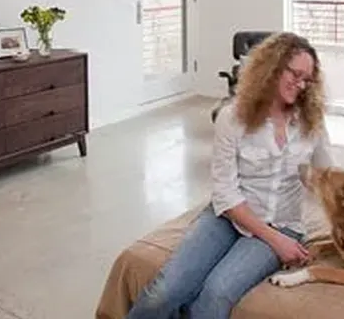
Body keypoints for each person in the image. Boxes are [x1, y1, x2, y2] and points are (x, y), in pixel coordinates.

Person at [126, 32, 333, 319]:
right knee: (167, 289)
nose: (300, 85)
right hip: (228, 217)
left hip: (283, 223)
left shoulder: (311, 122)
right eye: (295, 74)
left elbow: (329, 178)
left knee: (215, 295)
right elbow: (225, 193)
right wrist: (275, 241)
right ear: (272, 68)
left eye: (306, 80)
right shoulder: (232, 117)